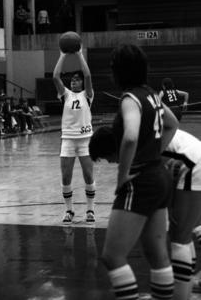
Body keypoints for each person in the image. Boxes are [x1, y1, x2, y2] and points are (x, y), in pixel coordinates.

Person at [88, 44, 178, 300]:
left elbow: (129, 137)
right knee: (156, 253)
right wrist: (153, 152)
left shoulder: (130, 99)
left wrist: (122, 175)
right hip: (159, 176)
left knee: (112, 256)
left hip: (140, 179)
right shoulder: (151, 94)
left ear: (118, 71)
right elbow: (172, 123)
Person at [53, 48, 96, 224]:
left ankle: (90, 210)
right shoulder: (65, 95)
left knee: (88, 174)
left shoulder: (88, 95)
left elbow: (88, 76)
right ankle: (69, 210)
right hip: (68, 140)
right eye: (72, 80)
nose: (74, 82)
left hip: (85, 139)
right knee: (65, 176)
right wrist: (62, 56)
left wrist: (79, 55)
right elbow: (56, 77)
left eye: (77, 80)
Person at [162, 129, 201, 300]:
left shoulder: (134, 140)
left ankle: (183, 291)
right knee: (190, 227)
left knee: (180, 237)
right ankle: (188, 282)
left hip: (193, 163)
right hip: (192, 160)